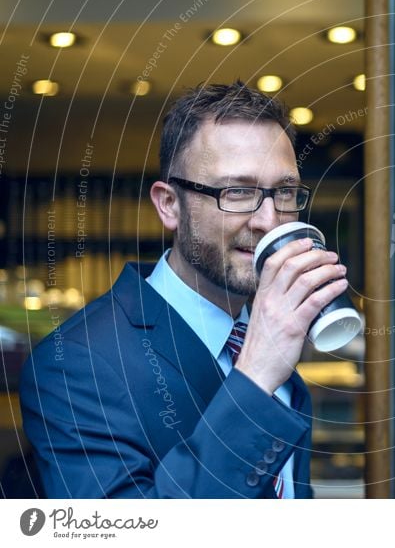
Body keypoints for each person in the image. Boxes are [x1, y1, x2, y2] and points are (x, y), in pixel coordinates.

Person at [19, 81, 349, 498]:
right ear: (169, 205)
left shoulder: (266, 332)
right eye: (238, 191)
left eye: (283, 192)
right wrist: (256, 375)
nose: (269, 219)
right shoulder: (75, 365)